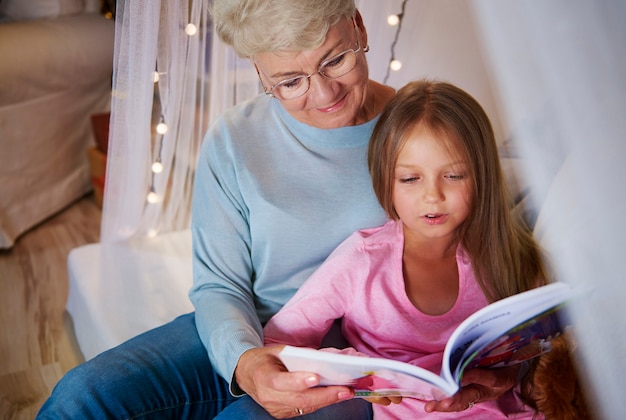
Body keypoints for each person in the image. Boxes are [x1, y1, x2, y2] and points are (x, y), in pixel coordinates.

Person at [37, 2, 521, 418]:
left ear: (359, 27)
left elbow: (484, 249)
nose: (324, 93)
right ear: (260, 75)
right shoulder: (234, 140)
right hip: (258, 328)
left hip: (371, 355)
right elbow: (218, 285)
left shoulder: (421, 132)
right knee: (80, 400)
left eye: (336, 60)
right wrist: (246, 360)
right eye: (290, 81)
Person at [250, 80, 548, 419]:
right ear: (385, 180)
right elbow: (276, 342)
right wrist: (354, 371)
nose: (432, 196)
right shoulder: (361, 262)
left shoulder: (512, 255)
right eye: (410, 179)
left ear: (481, 176)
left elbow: (543, 349)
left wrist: (510, 374)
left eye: (453, 175)